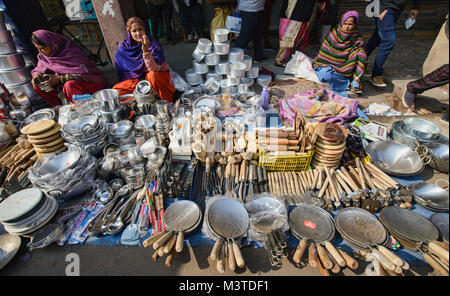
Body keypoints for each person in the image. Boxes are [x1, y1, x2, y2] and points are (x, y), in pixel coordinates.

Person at [30, 30, 107, 107]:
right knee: (38, 86)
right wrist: (37, 76)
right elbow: (39, 68)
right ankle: (59, 107)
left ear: (52, 44)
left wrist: (60, 78)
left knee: (69, 85)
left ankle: (87, 108)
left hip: (91, 83)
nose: (40, 51)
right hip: (68, 86)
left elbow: (84, 74)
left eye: (42, 48)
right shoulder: (44, 56)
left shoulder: (72, 52)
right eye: (37, 48)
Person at [113, 17, 175, 103]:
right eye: (134, 31)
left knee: (153, 76)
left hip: (154, 77)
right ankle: (139, 102)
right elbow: (123, 73)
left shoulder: (154, 46)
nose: (138, 33)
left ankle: (165, 102)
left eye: (140, 29)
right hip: (136, 81)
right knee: (116, 91)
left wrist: (145, 51)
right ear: (129, 33)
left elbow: (154, 69)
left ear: (145, 30)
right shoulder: (123, 50)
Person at [364, 0, 421, 87]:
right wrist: (378, 9)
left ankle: (359, 62)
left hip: (395, 10)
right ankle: (376, 74)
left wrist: (415, 7)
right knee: (388, 41)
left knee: (377, 37)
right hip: (385, 8)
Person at [312, 10, 368, 96]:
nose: (347, 27)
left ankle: (355, 80)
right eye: (345, 24)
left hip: (345, 68)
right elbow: (323, 56)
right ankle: (347, 83)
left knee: (361, 53)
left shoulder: (357, 38)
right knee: (326, 75)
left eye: (350, 24)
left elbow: (359, 55)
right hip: (327, 66)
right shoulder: (333, 35)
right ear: (341, 23)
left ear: (355, 25)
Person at [275, 0, 326, 67]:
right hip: (293, 9)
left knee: (300, 36)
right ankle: (281, 58)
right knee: (288, 36)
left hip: (304, 9)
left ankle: (297, 58)